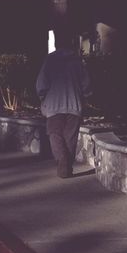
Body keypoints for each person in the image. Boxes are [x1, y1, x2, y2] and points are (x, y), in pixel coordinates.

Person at [36, 29, 90, 179]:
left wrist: (42, 97)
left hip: (53, 107)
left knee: (55, 135)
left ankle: (63, 162)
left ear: (56, 44)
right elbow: (86, 85)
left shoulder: (50, 60)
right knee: (70, 138)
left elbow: (41, 84)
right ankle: (66, 167)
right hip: (74, 105)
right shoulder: (77, 61)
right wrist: (85, 96)